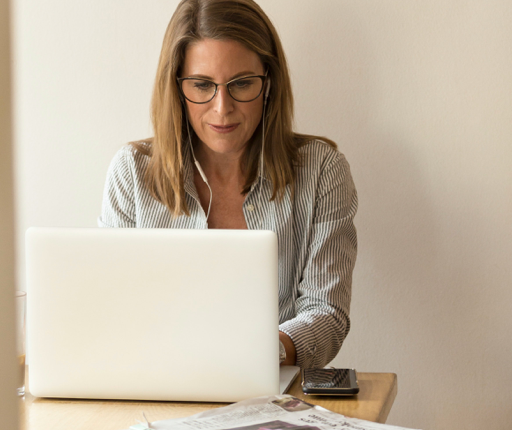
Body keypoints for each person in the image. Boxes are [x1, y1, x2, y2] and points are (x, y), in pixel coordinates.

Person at [97, 0, 357, 369]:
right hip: (157, 388)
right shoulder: (132, 173)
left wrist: (267, 353)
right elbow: (110, 309)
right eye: (202, 85)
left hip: (271, 391)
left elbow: (327, 313)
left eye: (242, 84)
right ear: (176, 87)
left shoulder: (321, 170)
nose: (223, 108)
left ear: (269, 82)